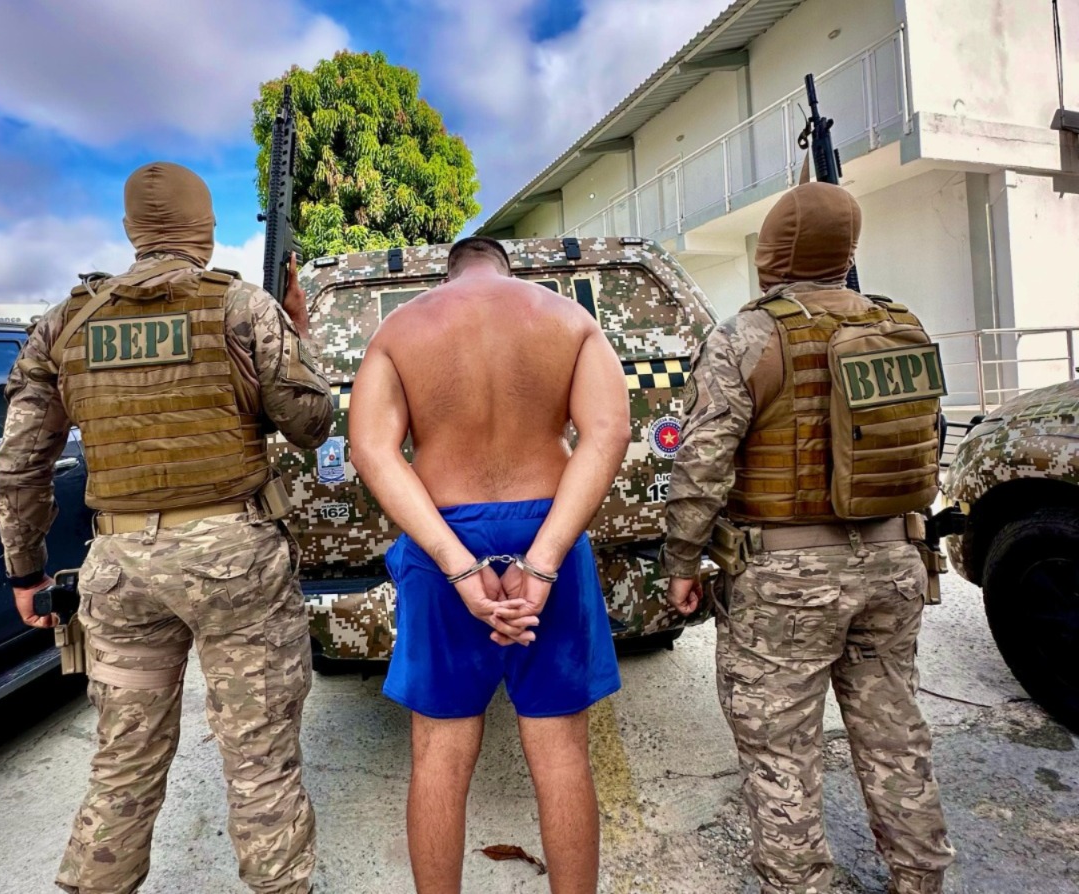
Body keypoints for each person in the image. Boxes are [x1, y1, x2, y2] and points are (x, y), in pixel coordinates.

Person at [0, 161, 333, 894]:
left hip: (119, 568)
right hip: (235, 565)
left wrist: (24, 570)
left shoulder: (64, 323)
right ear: (205, 229)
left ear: (131, 232)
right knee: (260, 760)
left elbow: (19, 463)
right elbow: (310, 425)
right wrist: (298, 335)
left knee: (122, 761)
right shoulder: (242, 307)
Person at [662, 181, 955, 894]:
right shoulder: (902, 324)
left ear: (772, 251)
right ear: (846, 251)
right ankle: (921, 878)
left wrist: (682, 560)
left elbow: (703, 462)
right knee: (895, 732)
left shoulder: (747, 336)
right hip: (896, 560)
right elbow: (927, 438)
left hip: (785, 578)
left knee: (781, 752)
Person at [348, 236, 629, 894]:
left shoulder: (401, 328)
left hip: (442, 531)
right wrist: (544, 560)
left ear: (450, 274)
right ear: (506, 269)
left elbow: (372, 450)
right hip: (549, 525)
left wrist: (456, 563)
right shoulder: (568, 319)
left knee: (439, 755)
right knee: (561, 753)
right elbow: (608, 432)